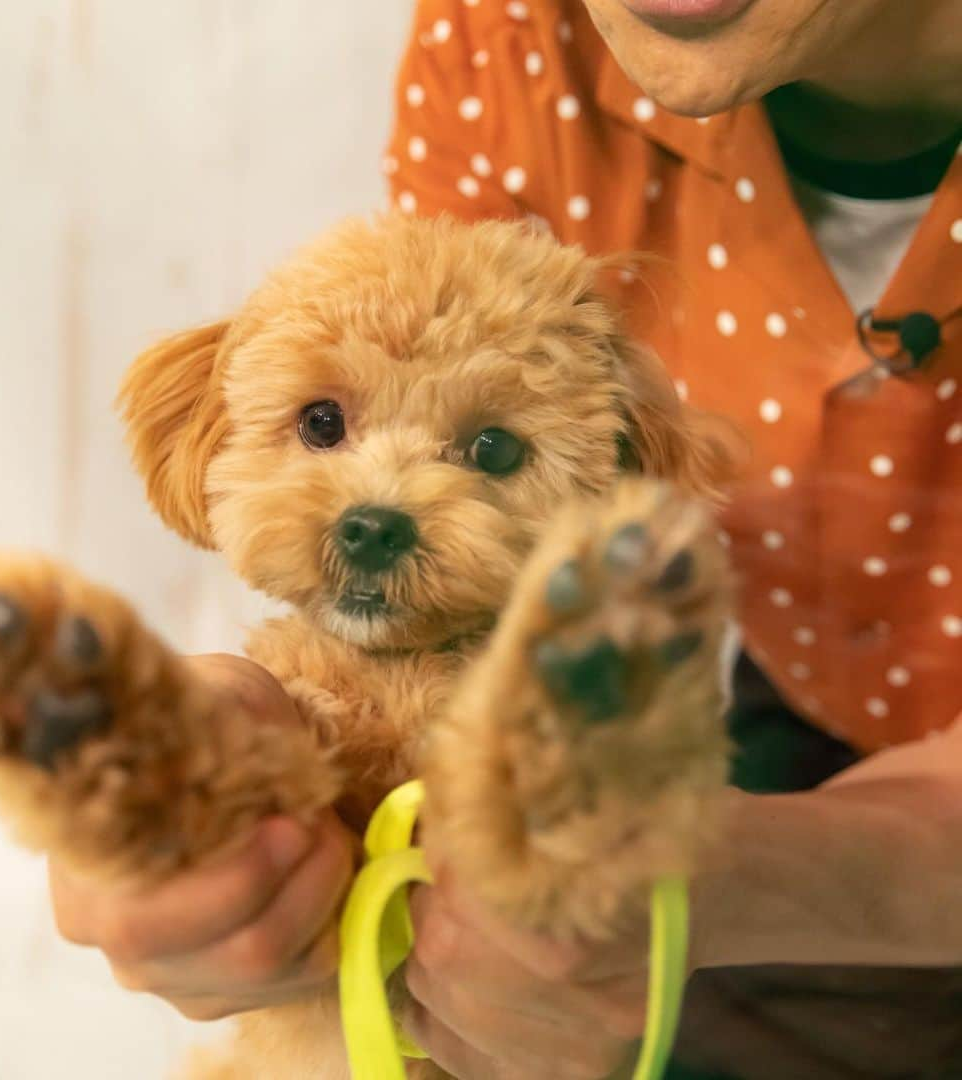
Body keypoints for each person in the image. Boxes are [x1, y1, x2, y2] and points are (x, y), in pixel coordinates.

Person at [49, 2, 962, 1077]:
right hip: (791, 697)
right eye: (324, 426)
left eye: (486, 454)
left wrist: (702, 874)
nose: (378, 502)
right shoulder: (508, 42)